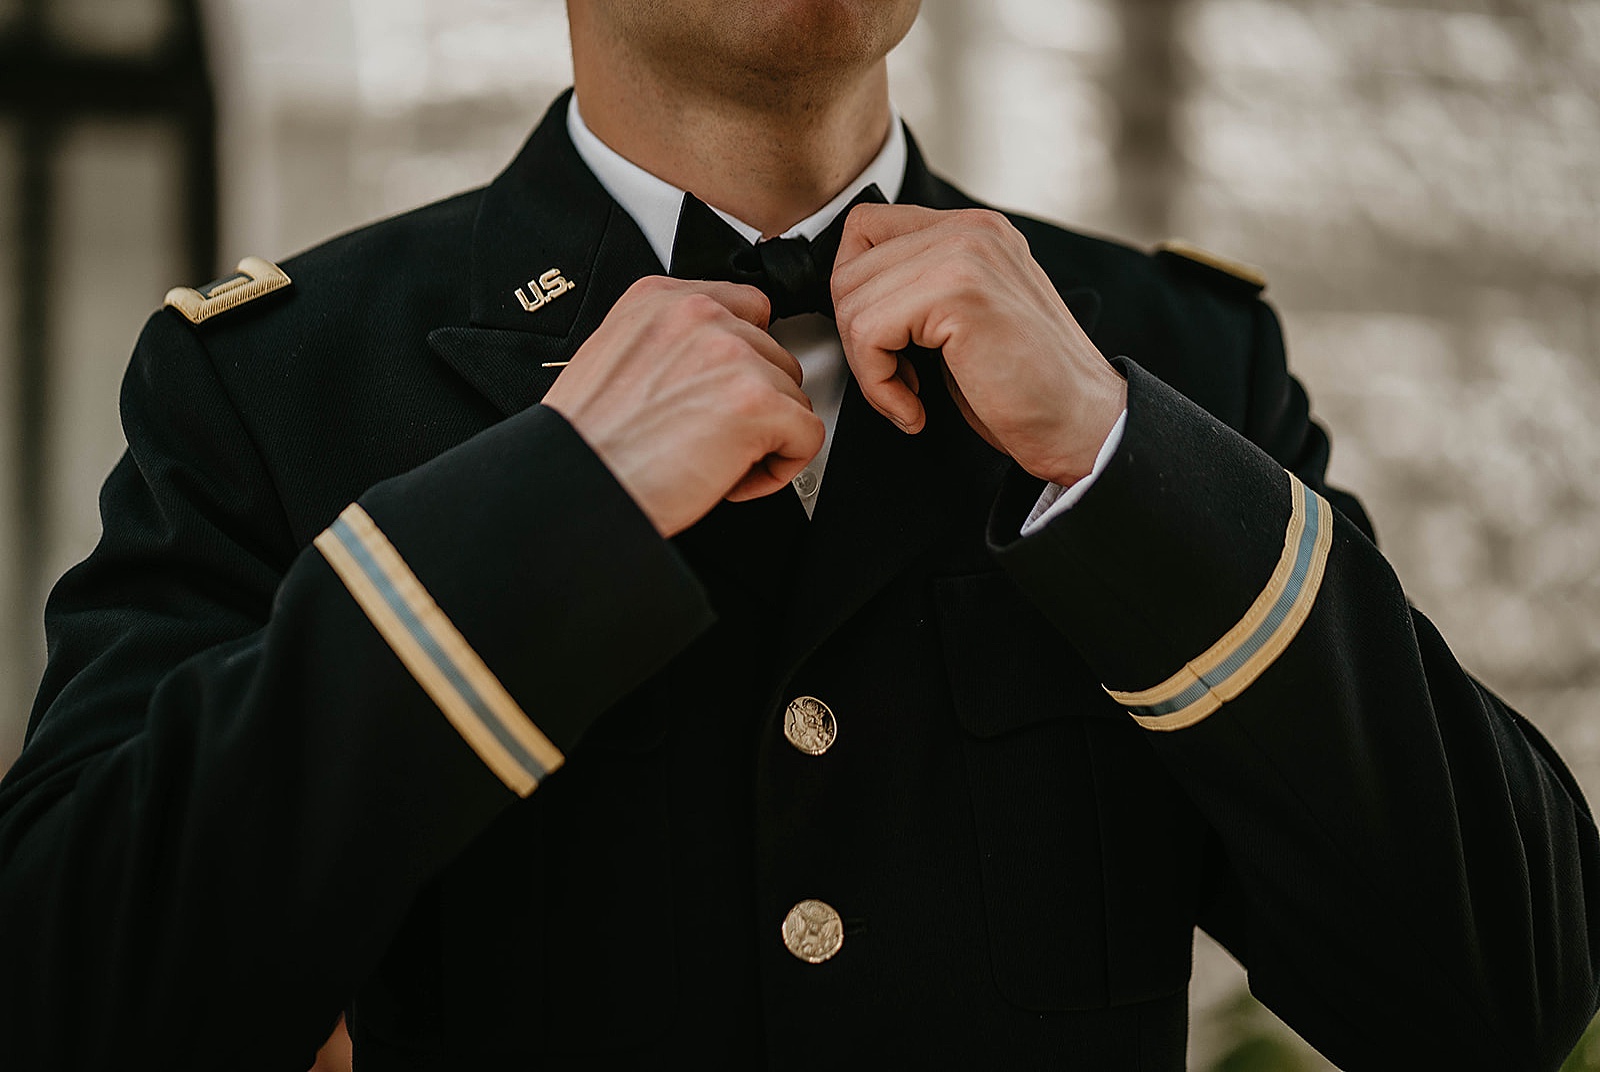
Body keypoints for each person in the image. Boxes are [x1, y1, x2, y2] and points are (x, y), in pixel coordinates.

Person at [1, 1, 1596, 1068]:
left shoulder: (1177, 359)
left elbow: (1503, 992)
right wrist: (545, 511)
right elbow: (73, 999)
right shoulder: (277, 381)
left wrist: (1117, 460)